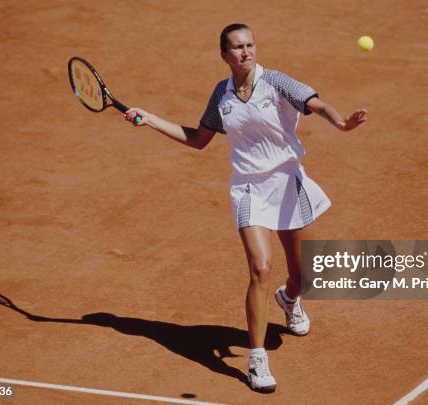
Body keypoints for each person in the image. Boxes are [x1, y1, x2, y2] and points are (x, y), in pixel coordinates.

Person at [125, 23, 367, 393]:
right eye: (237, 47)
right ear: (224, 55)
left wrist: (342, 123)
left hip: (287, 183)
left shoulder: (277, 82)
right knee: (261, 267)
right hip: (249, 189)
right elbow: (198, 138)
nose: (245, 52)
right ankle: (257, 362)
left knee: (303, 277)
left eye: (250, 44)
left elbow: (315, 103)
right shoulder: (221, 95)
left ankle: (289, 299)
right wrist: (151, 119)